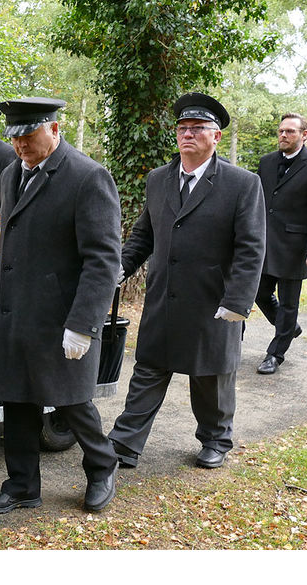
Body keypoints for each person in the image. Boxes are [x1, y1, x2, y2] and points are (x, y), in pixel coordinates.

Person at [0, 97, 121, 514]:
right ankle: (22, 485)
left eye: (29, 134)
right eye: (15, 136)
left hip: (62, 316)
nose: (21, 144)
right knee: (17, 400)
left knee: (72, 400)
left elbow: (102, 259)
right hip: (17, 311)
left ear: (54, 130)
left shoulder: (87, 177)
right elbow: (12, 239)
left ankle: (101, 467)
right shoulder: (11, 175)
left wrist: (83, 324)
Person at [109, 92, 265, 470]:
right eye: (182, 128)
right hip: (164, 297)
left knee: (210, 377)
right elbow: (144, 235)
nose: (187, 134)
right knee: (148, 368)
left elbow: (251, 248)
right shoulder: (158, 179)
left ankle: (216, 439)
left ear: (217, 138)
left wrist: (237, 301)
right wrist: (118, 270)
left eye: (197, 129)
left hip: (212, 300)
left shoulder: (242, 184)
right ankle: (125, 443)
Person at [254, 113, 307, 375]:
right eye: (281, 131)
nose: (283, 136)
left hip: (295, 246)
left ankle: (275, 354)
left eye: (290, 131)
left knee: (289, 303)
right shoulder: (265, 163)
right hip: (264, 242)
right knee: (258, 293)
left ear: (304, 135)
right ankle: (289, 327)